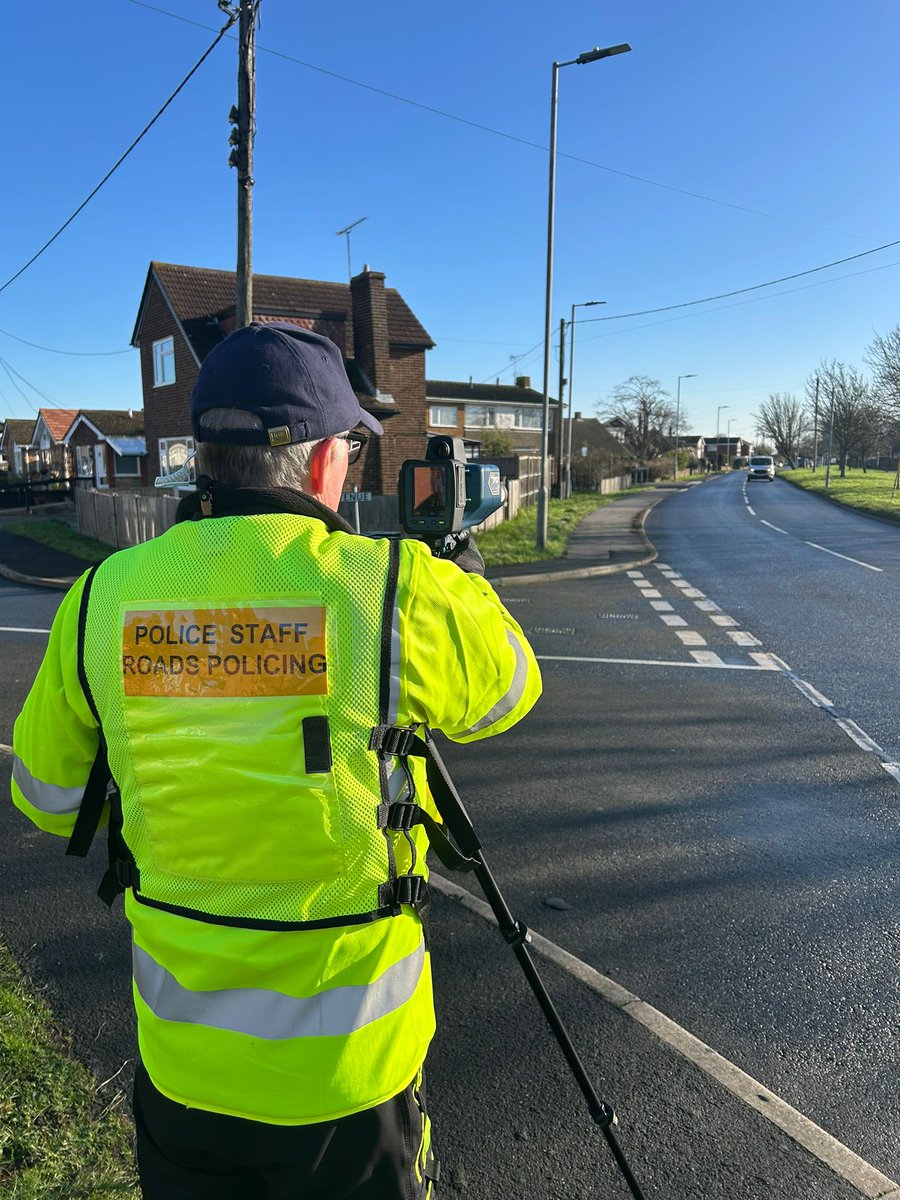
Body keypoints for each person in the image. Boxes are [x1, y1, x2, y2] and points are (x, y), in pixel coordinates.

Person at [10, 321, 542, 1199]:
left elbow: (46, 795)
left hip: (184, 1077)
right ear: (328, 459)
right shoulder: (394, 587)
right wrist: (468, 577)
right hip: (351, 1084)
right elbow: (509, 690)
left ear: (205, 459)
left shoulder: (102, 599)